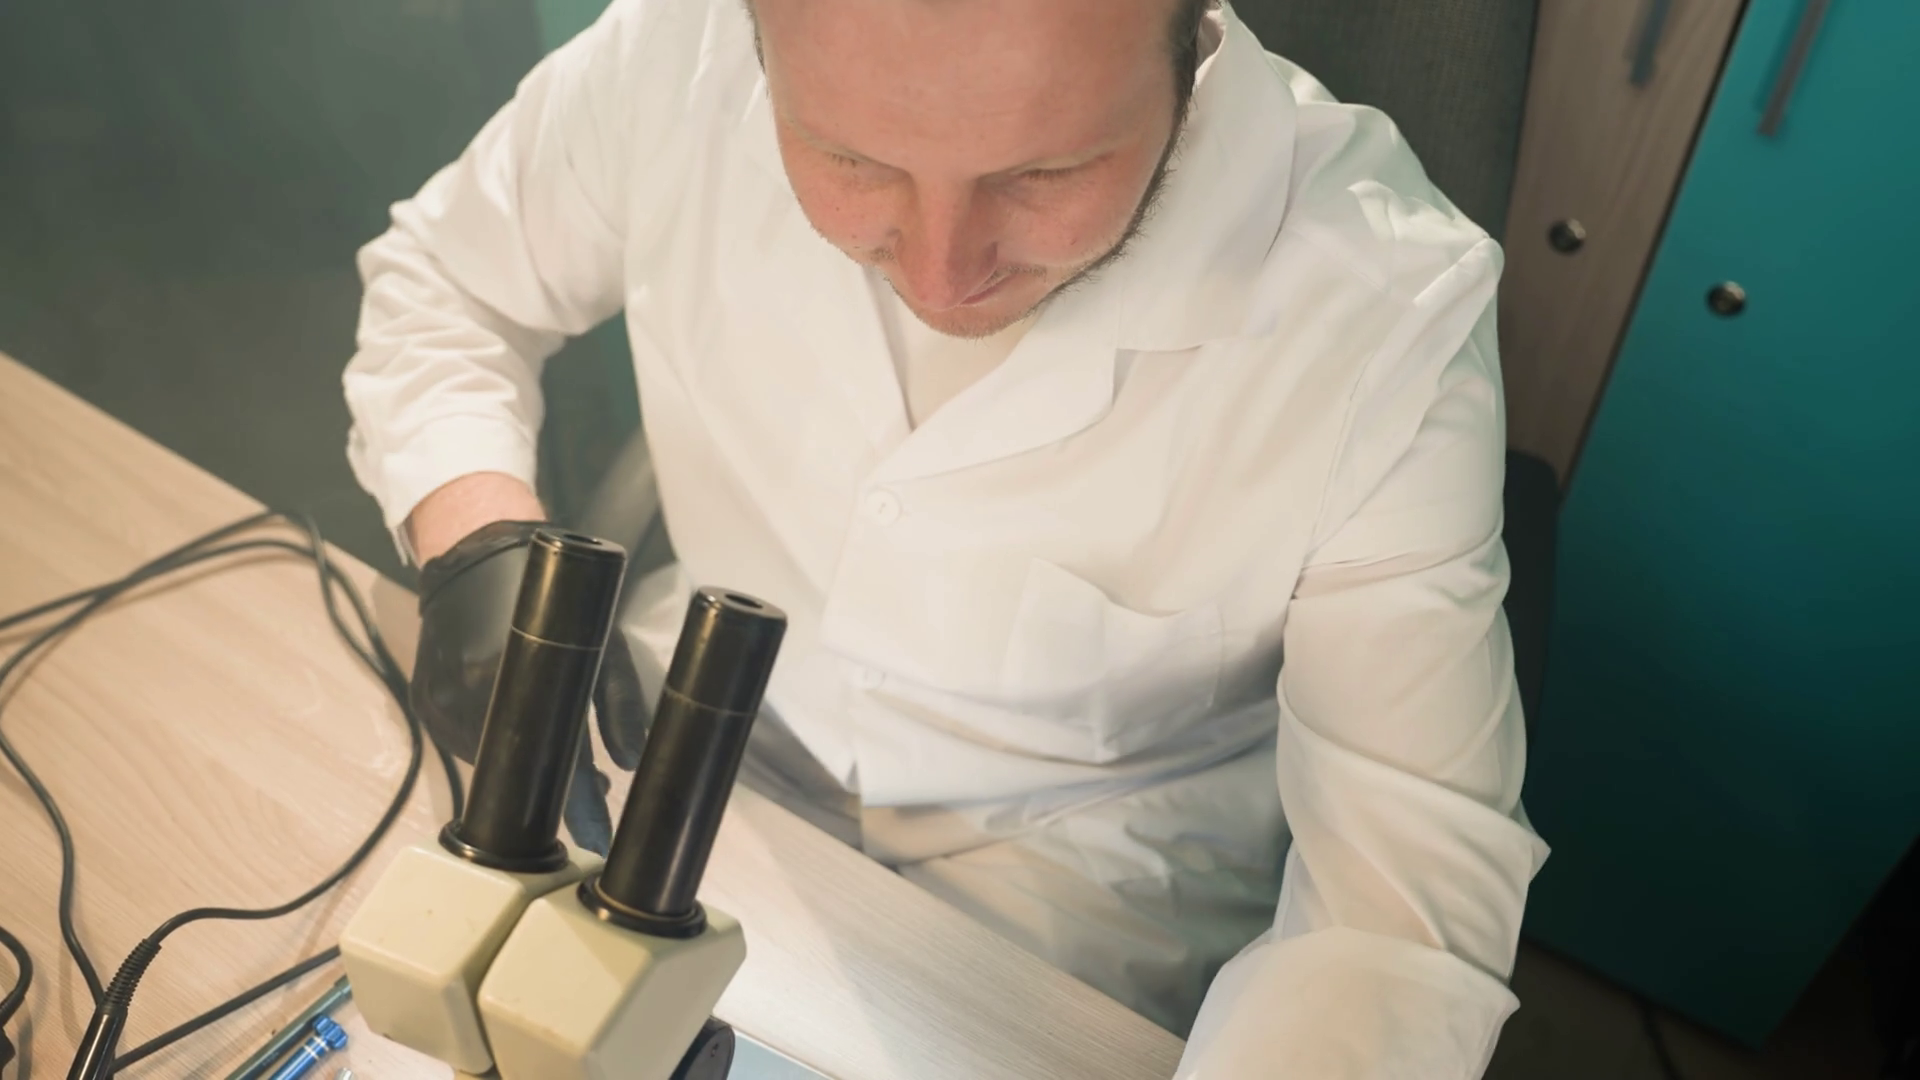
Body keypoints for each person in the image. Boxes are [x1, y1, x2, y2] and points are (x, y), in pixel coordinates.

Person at [342, 0, 1551, 1073]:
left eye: (1045, 171)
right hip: (678, 764)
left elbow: (1394, 919)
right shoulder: (677, 51)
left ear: (1190, 40)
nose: (941, 273)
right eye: (850, 159)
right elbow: (449, 283)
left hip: (1075, 906)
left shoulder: (1383, 316)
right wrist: (476, 532)